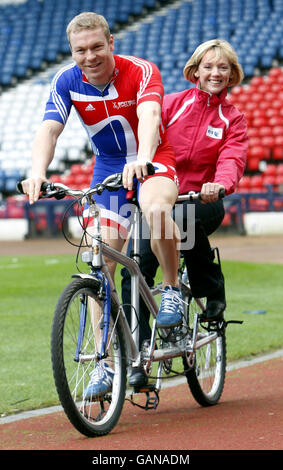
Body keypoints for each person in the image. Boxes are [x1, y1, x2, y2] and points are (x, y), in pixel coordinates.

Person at [20, 12, 183, 397]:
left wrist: (142, 158)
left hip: (153, 157)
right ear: (72, 51)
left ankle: (173, 287)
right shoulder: (66, 79)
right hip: (108, 169)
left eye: (97, 46)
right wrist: (37, 173)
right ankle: (103, 363)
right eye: (80, 50)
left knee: (156, 209)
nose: (89, 56)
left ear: (111, 42)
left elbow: (150, 114)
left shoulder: (140, 70)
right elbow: (49, 128)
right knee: (100, 260)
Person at [121, 38, 249, 387]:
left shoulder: (232, 119)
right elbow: (146, 136)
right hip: (162, 196)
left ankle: (211, 289)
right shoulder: (173, 104)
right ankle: (140, 347)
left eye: (223, 67)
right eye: (208, 66)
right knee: (135, 267)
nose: (215, 73)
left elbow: (232, 159)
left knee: (187, 222)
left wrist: (219, 184)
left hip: (202, 200)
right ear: (195, 70)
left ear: (232, 74)